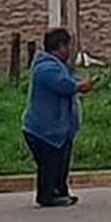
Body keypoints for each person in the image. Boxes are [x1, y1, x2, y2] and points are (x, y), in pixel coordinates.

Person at [22, 27, 95, 208]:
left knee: (61, 161)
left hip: (59, 130)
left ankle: (60, 191)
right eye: (68, 46)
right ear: (60, 47)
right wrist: (81, 86)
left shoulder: (59, 67)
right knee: (49, 164)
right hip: (43, 129)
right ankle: (47, 195)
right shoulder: (46, 69)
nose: (69, 50)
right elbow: (65, 86)